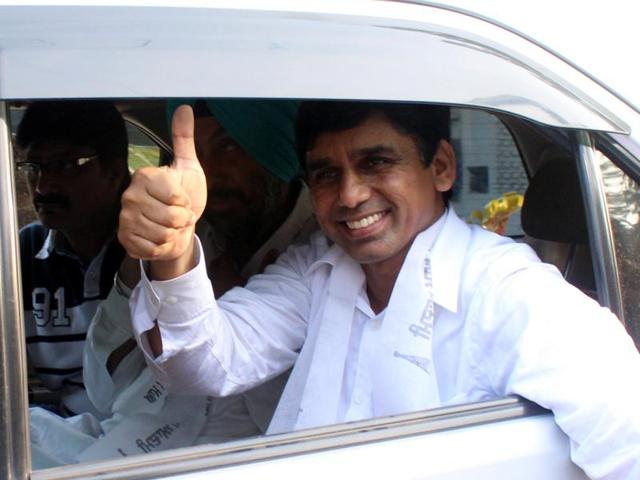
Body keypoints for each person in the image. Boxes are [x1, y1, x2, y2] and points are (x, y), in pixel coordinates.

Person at [119, 101, 640, 479]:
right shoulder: (317, 270)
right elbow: (205, 363)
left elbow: (626, 442)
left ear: (439, 167)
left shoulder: (511, 294)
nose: (349, 194)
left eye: (376, 163)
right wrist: (174, 252)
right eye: (327, 174)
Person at [39, 99, 316, 464]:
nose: (209, 175)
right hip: (120, 441)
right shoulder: (191, 230)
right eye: (195, 155)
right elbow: (104, 389)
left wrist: (213, 296)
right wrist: (141, 263)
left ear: (274, 147)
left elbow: (294, 417)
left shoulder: (322, 251)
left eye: (229, 146)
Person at [17, 100, 129, 417]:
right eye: (32, 167)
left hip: (159, 440)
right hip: (67, 439)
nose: (42, 186)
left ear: (115, 172)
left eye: (66, 166)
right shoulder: (22, 255)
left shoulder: (153, 251)